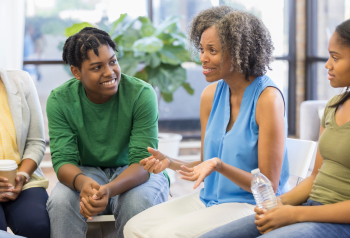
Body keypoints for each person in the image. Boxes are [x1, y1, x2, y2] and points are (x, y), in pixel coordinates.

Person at [124, 6, 289, 238]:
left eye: (212, 50)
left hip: (251, 204)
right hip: (209, 198)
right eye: (202, 49)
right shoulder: (210, 96)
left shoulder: (267, 99)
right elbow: (205, 164)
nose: (202, 58)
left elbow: (268, 184)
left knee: (164, 235)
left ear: (240, 51)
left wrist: (219, 165)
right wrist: (169, 162)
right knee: (133, 227)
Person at [200, 18, 350, 238]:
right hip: (310, 207)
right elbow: (315, 176)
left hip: (337, 222)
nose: (327, 64)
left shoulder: (267, 96)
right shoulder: (333, 106)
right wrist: (278, 204)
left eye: (335, 57)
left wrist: (295, 215)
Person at [46, 27, 169, 238]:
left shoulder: (141, 94)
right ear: (76, 72)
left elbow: (143, 162)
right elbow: (63, 161)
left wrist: (109, 190)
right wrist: (83, 183)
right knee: (60, 202)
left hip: (134, 172)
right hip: (87, 171)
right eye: (96, 67)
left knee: (137, 203)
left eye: (113, 61)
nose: (109, 72)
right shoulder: (60, 100)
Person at [0, 45, 50, 238]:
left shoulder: (21, 81)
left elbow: (35, 142)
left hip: (24, 178)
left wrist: (22, 175)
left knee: (38, 226)